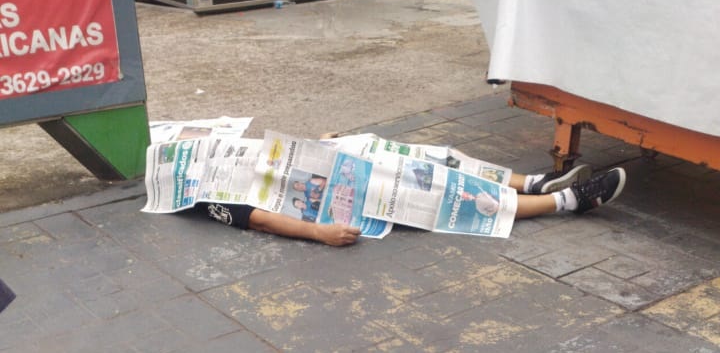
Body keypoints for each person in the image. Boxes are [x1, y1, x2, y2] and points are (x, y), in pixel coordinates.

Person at [196, 163, 625, 247]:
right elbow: (258, 220)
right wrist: (319, 233)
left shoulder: (217, 150)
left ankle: (532, 182)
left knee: (434, 160)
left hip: (336, 170)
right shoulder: (199, 198)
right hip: (343, 202)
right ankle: (566, 200)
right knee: (442, 195)